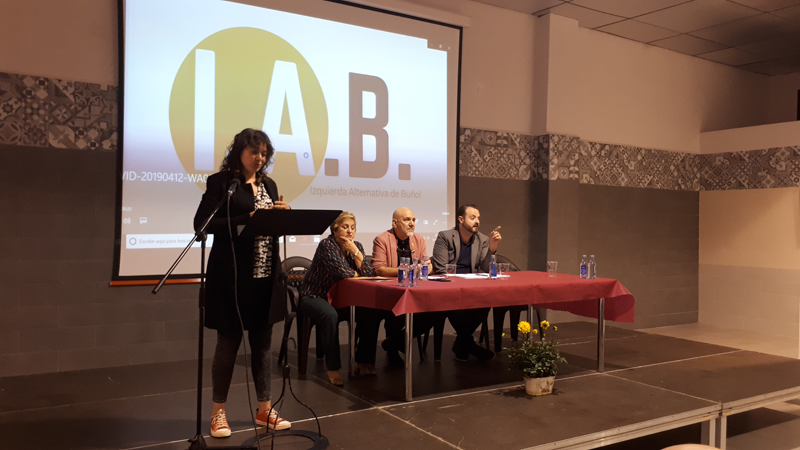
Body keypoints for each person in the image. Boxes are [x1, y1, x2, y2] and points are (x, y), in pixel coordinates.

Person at [193, 128, 291, 438]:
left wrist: (283, 216)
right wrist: (244, 219)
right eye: (254, 152)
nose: (260, 158)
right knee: (228, 345)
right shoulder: (222, 184)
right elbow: (202, 224)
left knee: (262, 347)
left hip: (265, 277)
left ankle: (264, 409)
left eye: (264, 153)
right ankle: (218, 413)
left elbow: (270, 228)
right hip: (232, 279)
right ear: (239, 152)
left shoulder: (269, 185)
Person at [298, 211, 382, 383]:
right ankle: (333, 368)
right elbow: (344, 273)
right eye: (345, 227)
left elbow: (368, 273)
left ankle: (364, 361)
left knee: (371, 312)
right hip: (315, 295)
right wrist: (357, 271)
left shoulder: (356, 246)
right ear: (335, 230)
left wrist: (356, 253)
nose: (350, 231)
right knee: (330, 315)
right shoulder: (327, 245)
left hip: (342, 298)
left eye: (353, 227)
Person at [431, 204, 502, 361]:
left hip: (471, 286)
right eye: (473, 217)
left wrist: (493, 247)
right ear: (461, 219)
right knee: (456, 305)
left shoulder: (482, 239)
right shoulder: (445, 236)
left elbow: (485, 268)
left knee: (487, 301)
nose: (477, 221)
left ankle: (462, 342)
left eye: (478, 218)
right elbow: (440, 268)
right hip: (449, 287)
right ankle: (467, 343)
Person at [372, 207, 435, 363]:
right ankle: (394, 348)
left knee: (432, 312)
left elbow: (426, 264)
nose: (412, 223)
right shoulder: (382, 239)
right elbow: (379, 269)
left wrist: (428, 267)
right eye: (407, 220)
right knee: (395, 315)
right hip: (390, 291)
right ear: (395, 223)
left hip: (414, 290)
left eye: (413, 220)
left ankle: (393, 342)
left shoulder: (418, 240)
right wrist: (409, 270)